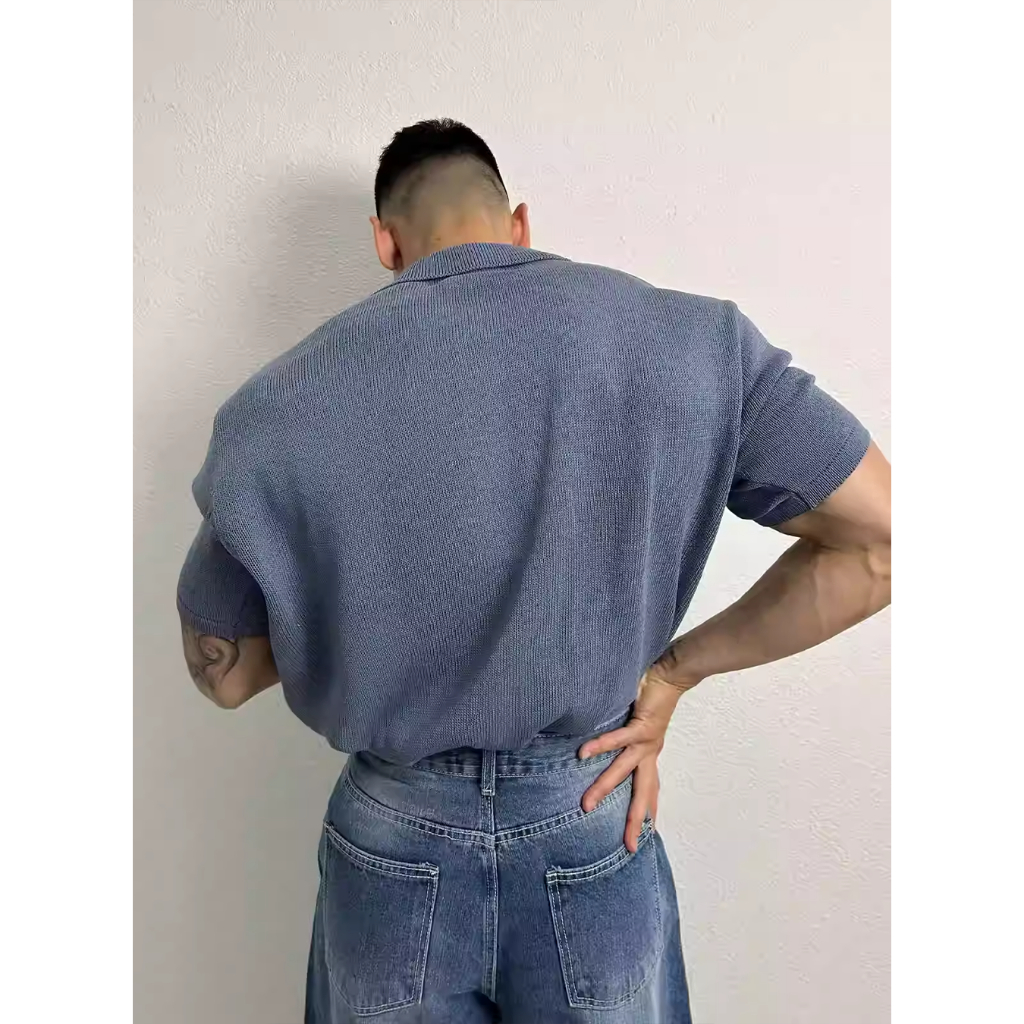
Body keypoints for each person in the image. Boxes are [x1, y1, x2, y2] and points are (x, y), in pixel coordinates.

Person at [176, 118, 891, 1024]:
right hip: (588, 808)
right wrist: (673, 673)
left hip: (392, 841)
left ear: (385, 243)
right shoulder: (696, 345)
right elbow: (880, 545)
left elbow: (226, 675)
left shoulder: (276, 408)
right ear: (518, 223)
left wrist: (351, 598)